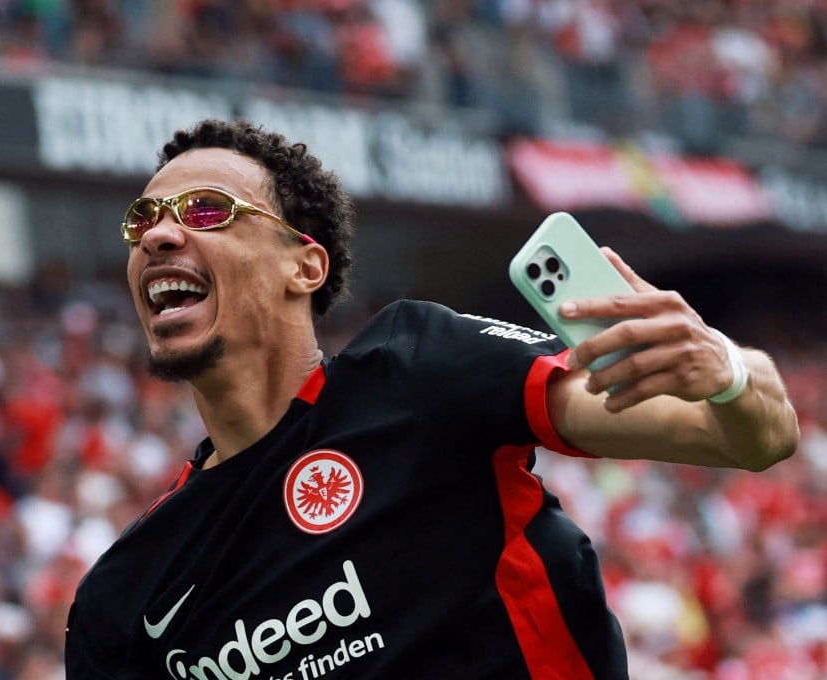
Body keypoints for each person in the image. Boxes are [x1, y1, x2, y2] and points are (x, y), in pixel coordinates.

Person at [63, 118, 799, 679]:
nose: (158, 235)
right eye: (143, 219)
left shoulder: (418, 370)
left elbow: (748, 435)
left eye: (204, 211)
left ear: (304, 264)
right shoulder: (124, 597)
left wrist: (728, 371)